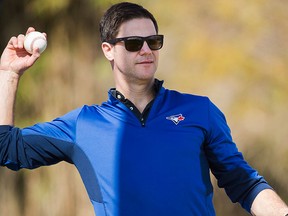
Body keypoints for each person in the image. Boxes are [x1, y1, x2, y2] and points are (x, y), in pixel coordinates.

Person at [0, 2, 287, 216]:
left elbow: (245, 183)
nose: (147, 50)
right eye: (134, 43)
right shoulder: (83, 124)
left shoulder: (200, 110)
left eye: (154, 41)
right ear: (108, 50)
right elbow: (7, 148)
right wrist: (9, 76)